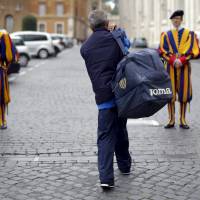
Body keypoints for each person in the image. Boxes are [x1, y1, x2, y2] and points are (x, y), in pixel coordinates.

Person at [80, 10, 132, 189]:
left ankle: (106, 178)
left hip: (102, 96)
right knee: (121, 129)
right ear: (107, 22)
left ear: (90, 26)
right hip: (121, 91)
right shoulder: (115, 38)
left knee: (104, 136)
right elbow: (127, 50)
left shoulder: (85, 47)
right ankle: (125, 165)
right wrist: (117, 32)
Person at [159, 10, 200, 129]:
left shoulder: (189, 34)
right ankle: (171, 119)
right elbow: (162, 51)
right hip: (170, 68)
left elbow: (194, 50)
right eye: (174, 19)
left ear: (181, 20)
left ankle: (182, 119)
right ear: (171, 21)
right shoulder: (166, 35)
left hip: (184, 67)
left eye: (178, 19)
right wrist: (173, 60)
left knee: (184, 93)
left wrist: (182, 60)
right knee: (170, 93)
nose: (176, 21)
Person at [0, 29, 17, 129]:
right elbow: (9, 57)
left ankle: (2, 121)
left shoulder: (3, 35)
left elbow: (9, 56)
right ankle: (1, 121)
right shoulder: (3, 35)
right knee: (1, 97)